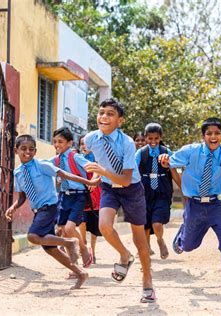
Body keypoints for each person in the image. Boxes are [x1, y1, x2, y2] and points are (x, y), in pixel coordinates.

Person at [159, 117, 221, 295]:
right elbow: (169, 162)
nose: (213, 136)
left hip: (214, 206)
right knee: (189, 246)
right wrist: (164, 158)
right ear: (203, 136)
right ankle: (181, 237)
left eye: (217, 133)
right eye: (209, 133)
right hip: (194, 206)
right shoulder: (191, 151)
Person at [84, 98, 156, 303]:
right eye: (101, 112)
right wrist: (97, 177)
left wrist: (101, 171)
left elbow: (125, 179)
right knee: (104, 226)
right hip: (108, 188)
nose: (104, 117)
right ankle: (125, 256)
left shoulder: (127, 143)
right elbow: (98, 160)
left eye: (110, 114)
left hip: (131, 189)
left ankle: (147, 281)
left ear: (120, 121)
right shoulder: (91, 139)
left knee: (139, 239)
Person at [4, 134, 99, 289]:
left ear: (35, 151)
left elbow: (64, 174)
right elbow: (22, 196)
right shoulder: (18, 172)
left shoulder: (41, 165)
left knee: (33, 236)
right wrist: (13, 207)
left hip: (50, 207)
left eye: (31, 149)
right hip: (38, 211)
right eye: (23, 149)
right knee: (50, 249)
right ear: (16, 150)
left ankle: (70, 242)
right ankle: (81, 273)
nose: (27, 152)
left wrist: (88, 182)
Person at [50, 127, 94, 269]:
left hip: (78, 196)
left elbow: (93, 167)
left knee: (69, 228)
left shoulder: (75, 157)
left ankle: (83, 250)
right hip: (64, 197)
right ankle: (73, 265)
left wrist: (94, 181)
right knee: (63, 229)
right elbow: (42, 166)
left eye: (61, 142)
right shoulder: (55, 160)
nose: (57, 145)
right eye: (55, 141)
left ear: (69, 143)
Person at [135, 123, 181, 260]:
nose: (153, 141)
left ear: (161, 137)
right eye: (150, 138)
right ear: (146, 138)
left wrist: (185, 191)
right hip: (144, 190)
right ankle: (146, 252)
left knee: (157, 222)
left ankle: (160, 240)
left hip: (162, 190)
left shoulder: (167, 152)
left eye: (156, 138)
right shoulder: (140, 153)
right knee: (145, 225)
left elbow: (174, 173)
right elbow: (133, 172)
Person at [78, 135, 102, 264]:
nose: (84, 146)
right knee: (81, 220)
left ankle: (93, 250)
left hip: (96, 195)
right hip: (82, 195)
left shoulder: (98, 159)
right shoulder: (78, 159)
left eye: (86, 144)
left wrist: (93, 181)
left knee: (94, 226)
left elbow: (99, 173)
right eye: (82, 144)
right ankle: (84, 245)